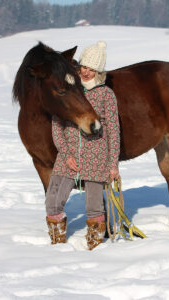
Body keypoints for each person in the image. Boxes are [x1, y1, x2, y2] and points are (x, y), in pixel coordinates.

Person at [45, 41, 120, 250]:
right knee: (53, 201)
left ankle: (95, 249)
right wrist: (66, 153)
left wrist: (113, 164)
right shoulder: (70, 90)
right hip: (69, 157)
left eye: (92, 69)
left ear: (99, 71)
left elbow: (114, 131)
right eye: (84, 67)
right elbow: (56, 124)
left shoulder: (106, 95)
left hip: (97, 158)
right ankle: (56, 245)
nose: (86, 72)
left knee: (94, 207)